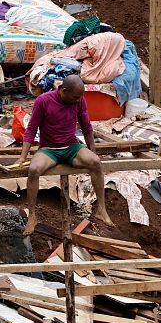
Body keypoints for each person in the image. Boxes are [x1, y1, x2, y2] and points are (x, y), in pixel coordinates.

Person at [18, 74, 111, 235]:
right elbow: (31, 129)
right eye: (75, 97)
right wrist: (22, 157)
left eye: (80, 97)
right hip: (49, 150)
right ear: (63, 90)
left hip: (72, 147)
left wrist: (92, 152)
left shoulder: (79, 100)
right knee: (33, 170)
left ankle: (101, 209)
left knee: (95, 162)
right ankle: (32, 216)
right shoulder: (43, 101)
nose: (78, 100)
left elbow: (86, 126)